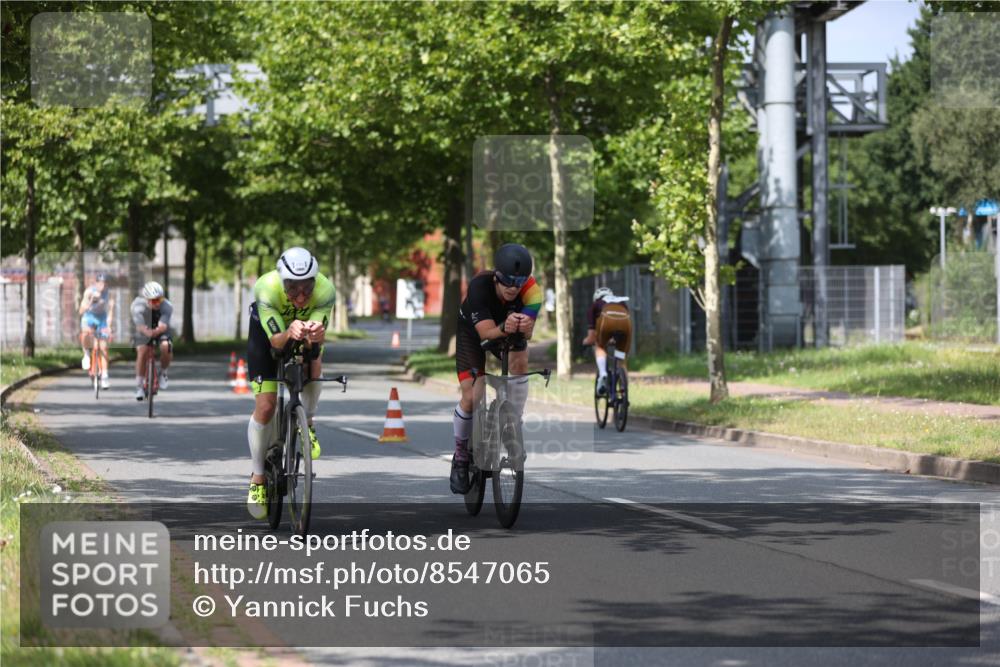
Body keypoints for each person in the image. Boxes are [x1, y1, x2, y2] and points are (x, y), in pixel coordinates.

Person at [245, 247, 335, 519]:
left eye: (306, 288)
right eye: (292, 288)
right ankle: (258, 479)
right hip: (267, 336)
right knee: (266, 406)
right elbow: (276, 342)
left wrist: (312, 333)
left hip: (302, 331)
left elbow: (314, 339)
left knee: (314, 358)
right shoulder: (266, 287)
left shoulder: (326, 290)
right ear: (281, 281)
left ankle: (307, 422)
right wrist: (290, 329)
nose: (300, 296)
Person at [450, 243, 542, 494]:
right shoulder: (480, 286)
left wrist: (524, 324)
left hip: (508, 329)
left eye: (519, 283)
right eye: (508, 283)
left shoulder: (532, 292)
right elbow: (487, 334)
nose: (513, 288)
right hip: (474, 332)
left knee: (520, 362)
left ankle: (514, 422)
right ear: (497, 278)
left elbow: (529, 333)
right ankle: (460, 457)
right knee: (473, 395)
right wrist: (506, 326)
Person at [581, 286, 631, 396]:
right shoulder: (621, 302)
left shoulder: (595, 305)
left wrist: (585, 342)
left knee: (600, 345)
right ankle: (624, 387)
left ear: (596, 297)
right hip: (625, 324)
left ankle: (603, 373)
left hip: (606, 323)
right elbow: (619, 320)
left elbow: (591, 336)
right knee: (621, 355)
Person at [131, 281, 174, 400]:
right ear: (147, 299)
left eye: (159, 299)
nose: (158, 303)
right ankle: (139, 385)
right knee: (142, 350)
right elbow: (140, 326)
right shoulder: (137, 306)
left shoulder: (167, 306)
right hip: (144, 328)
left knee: (166, 346)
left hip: (160, 329)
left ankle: (163, 372)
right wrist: (148, 332)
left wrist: (156, 332)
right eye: (154, 300)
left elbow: (163, 325)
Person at [79, 272, 114, 389]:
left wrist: (108, 326)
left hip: (101, 319)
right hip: (88, 317)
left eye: (105, 284)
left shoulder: (109, 294)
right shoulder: (89, 292)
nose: (102, 286)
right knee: (85, 334)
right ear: (96, 283)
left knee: (103, 347)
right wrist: (90, 301)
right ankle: (86, 354)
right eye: (100, 283)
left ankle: (104, 376)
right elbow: (80, 311)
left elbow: (110, 311)